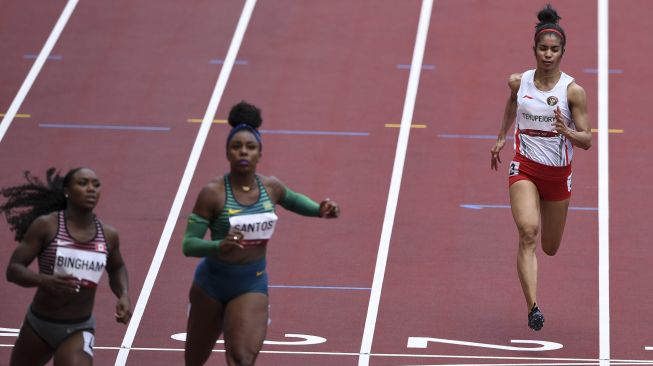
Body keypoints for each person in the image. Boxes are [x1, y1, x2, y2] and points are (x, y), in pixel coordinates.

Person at [182, 101, 340, 366]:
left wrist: (320, 210)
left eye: (250, 147)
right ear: (228, 153)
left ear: (259, 154)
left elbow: (294, 199)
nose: (243, 151)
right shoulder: (213, 193)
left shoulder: (271, 188)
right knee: (194, 361)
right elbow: (189, 244)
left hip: (251, 283)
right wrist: (218, 246)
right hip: (211, 285)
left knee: (242, 359)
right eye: (237, 146)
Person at [490, 4, 592, 331]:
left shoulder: (573, 92)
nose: (548, 54)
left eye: (554, 49)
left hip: (558, 176)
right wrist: (501, 138)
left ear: (563, 52)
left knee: (549, 247)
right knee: (528, 232)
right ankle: (533, 307)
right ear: (533, 49)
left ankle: (538, 272)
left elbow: (587, 140)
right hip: (525, 167)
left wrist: (568, 132)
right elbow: (511, 102)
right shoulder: (519, 82)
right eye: (543, 48)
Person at [1, 167, 131, 365]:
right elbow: (14, 269)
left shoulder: (108, 235)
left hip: (79, 327)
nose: (91, 189)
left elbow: (117, 268)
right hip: (39, 325)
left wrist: (123, 294)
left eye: (96, 185)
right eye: (83, 183)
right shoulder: (47, 226)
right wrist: (44, 280)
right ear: (67, 191)